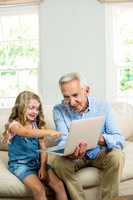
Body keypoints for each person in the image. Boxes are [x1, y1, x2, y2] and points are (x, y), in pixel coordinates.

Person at [52, 72, 125, 200]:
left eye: (75, 95)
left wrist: (99, 139)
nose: (71, 102)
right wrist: (70, 152)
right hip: (75, 157)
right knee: (58, 163)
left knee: (117, 156)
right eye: (66, 97)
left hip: (99, 152)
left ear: (87, 90)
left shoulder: (104, 106)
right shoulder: (59, 110)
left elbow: (119, 139)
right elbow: (62, 140)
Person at [2, 91, 68, 200]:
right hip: (21, 165)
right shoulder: (14, 125)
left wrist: (42, 167)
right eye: (31, 108)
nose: (35, 112)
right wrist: (48, 132)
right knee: (39, 189)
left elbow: (43, 149)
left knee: (59, 186)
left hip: (37, 163)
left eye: (37, 109)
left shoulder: (37, 125)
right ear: (21, 107)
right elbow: (26, 133)